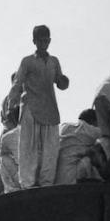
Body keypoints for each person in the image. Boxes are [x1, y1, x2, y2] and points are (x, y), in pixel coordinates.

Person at [10, 24, 69, 188]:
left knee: (50, 149)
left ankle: (46, 183)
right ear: (34, 41)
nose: (44, 44)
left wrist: (64, 81)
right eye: (41, 41)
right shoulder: (27, 61)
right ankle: (28, 185)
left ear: (49, 41)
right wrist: (10, 106)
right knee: (29, 148)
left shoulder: (54, 61)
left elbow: (60, 82)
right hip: (31, 107)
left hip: (50, 108)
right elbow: (17, 84)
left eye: (46, 40)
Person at [55, 109, 102, 185]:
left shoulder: (65, 127)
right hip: (71, 180)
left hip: (56, 180)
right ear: (93, 122)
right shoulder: (85, 128)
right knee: (95, 152)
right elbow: (108, 134)